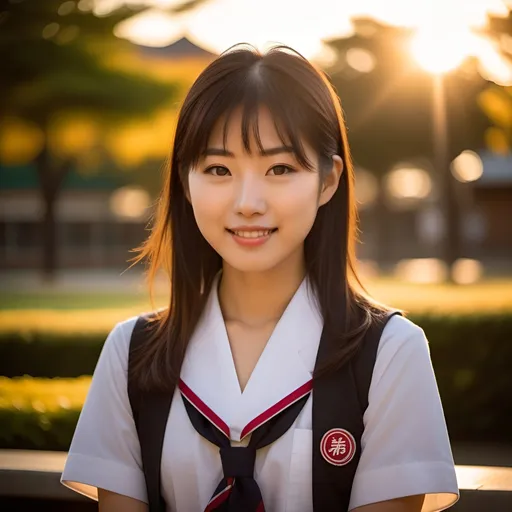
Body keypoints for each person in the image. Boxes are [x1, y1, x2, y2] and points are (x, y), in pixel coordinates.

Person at [61, 44, 460, 512]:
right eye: (218, 169)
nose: (248, 201)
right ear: (186, 180)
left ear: (329, 180)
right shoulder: (131, 353)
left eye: (280, 168)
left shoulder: (391, 354)